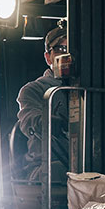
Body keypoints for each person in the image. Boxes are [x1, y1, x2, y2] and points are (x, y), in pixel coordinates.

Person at [16, 24, 70, 181]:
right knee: (59, 172)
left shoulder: (88, 90)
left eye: (69, 48)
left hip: (86, 163)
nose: (66, 55)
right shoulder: (34, 90)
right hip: (47, 163)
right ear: (48, 57)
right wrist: (44, 121)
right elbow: (28, 119)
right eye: (60, 49)